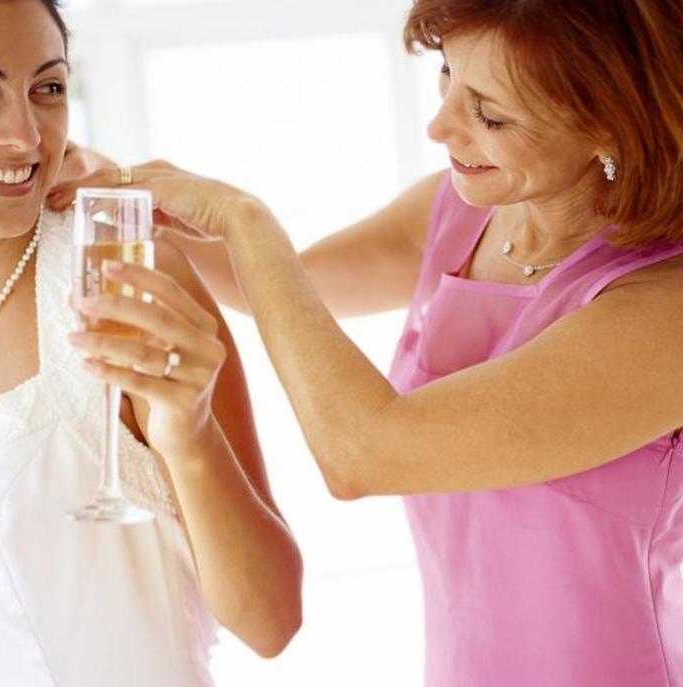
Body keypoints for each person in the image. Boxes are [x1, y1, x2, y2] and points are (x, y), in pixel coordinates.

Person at [51, 0, 683, 684]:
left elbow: (359, 454)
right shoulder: (462, 210)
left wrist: (245, 220)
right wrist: (118, 183)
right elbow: (283, 291)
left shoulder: (663, 308)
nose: (440, 126)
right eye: (448, 73)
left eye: (490, 115)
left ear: (612, 124)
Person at [0, 1, 302, 685]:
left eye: (48, 87)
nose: (25, 135)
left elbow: (271, 619)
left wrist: (191, 435)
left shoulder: (125, 280)